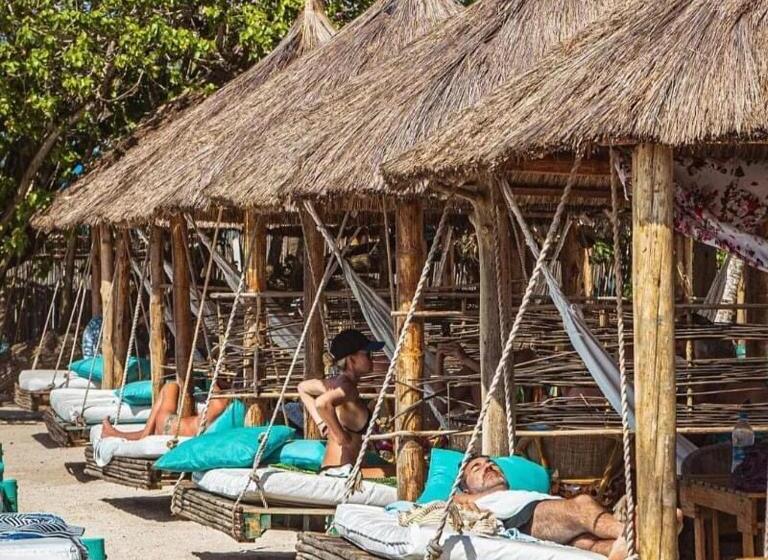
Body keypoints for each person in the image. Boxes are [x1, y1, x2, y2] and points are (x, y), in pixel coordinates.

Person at [454, 455, 630, 559]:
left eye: (491, 464)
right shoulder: (468, 500)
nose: (488, 467)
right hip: (522, 517)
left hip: (540, 511)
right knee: (582, 505)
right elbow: (449, 501)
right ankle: (629, 532)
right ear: (467, 489)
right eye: (477, 468)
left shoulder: (519, 494)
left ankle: (623, 549)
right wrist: (463, 497)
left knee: (586, 542)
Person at [298, 329, 390, 476]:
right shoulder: (347, 388)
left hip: (330, 469)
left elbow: (302, 388)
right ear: (351, 359)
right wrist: (341, 436)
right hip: (342, 473)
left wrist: (323, 425)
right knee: (412, 473)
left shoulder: (333, 383)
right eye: (367, 354)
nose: (371, 359)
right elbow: (322, 403)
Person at [100, 378, 230, 440]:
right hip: (174, 427)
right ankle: (139, 434)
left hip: (170, 425)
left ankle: (143, 434)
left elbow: (215, 383)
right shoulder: (227, 407)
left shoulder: (219, 403)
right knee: (154, 430)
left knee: (171, 386)